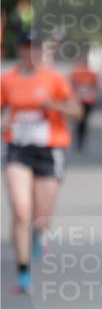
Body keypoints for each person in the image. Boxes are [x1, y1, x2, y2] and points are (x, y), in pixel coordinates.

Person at [1, 31, 82, 293]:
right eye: (27, 48)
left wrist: (55, 105)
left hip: (49, 151)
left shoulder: (55, 79)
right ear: (21, 51)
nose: (32, 53)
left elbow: (77, 112)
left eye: (36, 48)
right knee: (20, 209)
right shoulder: (7, 80)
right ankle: (23, 273)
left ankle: (39, 232)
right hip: (18, 149)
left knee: (41, 217)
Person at [69, 51, 101, 151]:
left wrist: (92, 95)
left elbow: (96, 86)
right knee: (78, 121)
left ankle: (81, 142)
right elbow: (71, 84)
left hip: (88, 100)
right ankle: (78, 141)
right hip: (78, 100)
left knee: (84, 122)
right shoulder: (75, 71)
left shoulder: (93, 73)